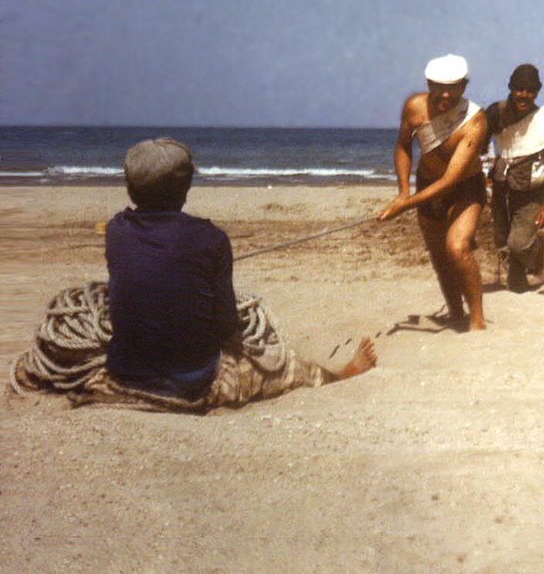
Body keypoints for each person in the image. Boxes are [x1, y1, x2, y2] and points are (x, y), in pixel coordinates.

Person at [16, 138, 377, 411]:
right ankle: (340, 376)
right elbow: (225, 323)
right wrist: (236, 345)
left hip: (124, 373)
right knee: (286, 369)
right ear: (186, 188)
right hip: (194, 382)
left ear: (129, 187)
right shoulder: (211, 239)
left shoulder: (116, 230)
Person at [378, 54, 488, 331]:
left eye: (453, 87)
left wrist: (405, 205)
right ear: (429, 83)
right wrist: (404, 191)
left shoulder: (475, 121)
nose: (446, 94)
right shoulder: (414, 107)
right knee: (439, 255)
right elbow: (403, 146)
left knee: (457, 248)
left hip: (465, 187)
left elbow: (451, 179)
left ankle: (477, 320)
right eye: (439, 86)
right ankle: (455, 312)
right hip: (427, 183)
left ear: (464, 86)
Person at [485, 64, 544, 292]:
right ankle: (517, 272)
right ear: (511, 88)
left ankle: (536, 249)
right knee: (501, 237)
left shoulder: (542, 119)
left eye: (530, 91)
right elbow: (478, 141)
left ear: (537, 93)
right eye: (520, 89)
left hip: (531, 190)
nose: (524, 95)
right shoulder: (496, 112)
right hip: (502, 184)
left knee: (518, 243)